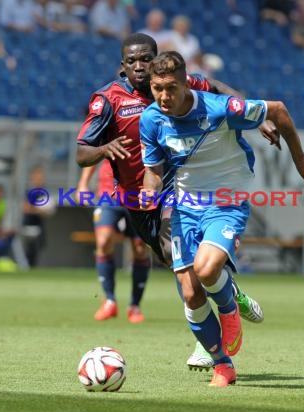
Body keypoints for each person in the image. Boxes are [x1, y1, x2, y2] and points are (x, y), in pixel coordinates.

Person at [76, 33, 276, 371]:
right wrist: (102, 150)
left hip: (178, 189)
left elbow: (215, 87)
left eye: (146, 59)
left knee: (186, 263)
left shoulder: (174, 85)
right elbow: (81, 152)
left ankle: (210, 341)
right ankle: (231, 296)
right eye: (132, 61)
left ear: (157, 60)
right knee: (175, 264)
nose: (140, 66)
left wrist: (260, 117)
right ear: (122, 65)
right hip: (138, 200)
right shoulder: (108, 99)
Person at [138, 51, 304, 386]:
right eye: (157, 88)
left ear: (185, 83)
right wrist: (148, 189)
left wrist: (301, 159)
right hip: (184, 206)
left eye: (170, 88)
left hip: (226, 201)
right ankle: (222, 365)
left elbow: (278, 110)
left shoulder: (219, 108)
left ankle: (229, 309)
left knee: (208, 270)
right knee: (191, 292)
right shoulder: (151, 119)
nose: (164, 96)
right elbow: (152, 171)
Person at [76, 161, 150, 323]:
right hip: (108, 193)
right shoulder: (108, 134)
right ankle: (109, 301)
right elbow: (92, 150)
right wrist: (83, 183)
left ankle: (134, 306)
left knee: (139, 248)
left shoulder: (145, 134)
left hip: (138, 193)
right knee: (103, 241)